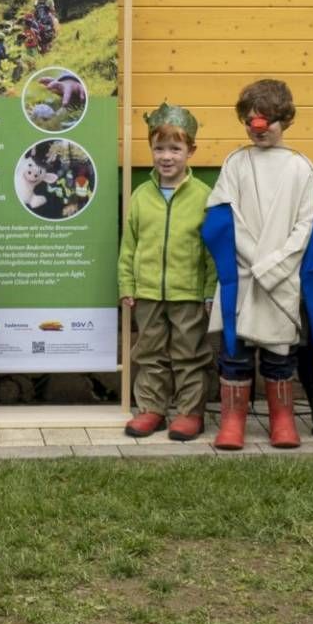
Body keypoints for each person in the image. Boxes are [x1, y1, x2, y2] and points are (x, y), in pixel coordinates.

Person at [200, 80, 313, 450]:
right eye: (251, 122)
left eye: (267, 122)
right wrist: (256, 263)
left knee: (280, 355)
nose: (258, 130)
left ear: (285, 120)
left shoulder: (300, 168)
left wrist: (275, 266)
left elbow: (308, 226)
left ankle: (283, 419)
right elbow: (223, 219)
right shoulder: (235, 163)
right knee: (236, 353)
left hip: (283, 280)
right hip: (243, 277)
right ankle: (232, 421)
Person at [118, 102, 213, 443]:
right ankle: (151, 409)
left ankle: (189, 412)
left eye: (175, 148)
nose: (166, 157)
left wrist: (209, 291)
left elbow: (210, 252)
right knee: (149, 352)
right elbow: (129, 245)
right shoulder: (141, 196)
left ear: (191, 151)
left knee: (189, 353)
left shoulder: (204, 197)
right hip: (147, 292)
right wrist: (127, 284)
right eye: (159, 148)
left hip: (187, 292)